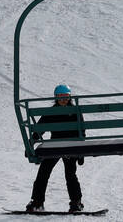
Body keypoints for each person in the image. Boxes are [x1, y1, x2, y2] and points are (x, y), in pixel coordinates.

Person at [26, 84, 84, 213]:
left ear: (70, 97)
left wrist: (81, 152)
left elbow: (81, 132)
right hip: (56, 146)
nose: (63, 100)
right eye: (60, 97)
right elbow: (40, 129)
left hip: (69, 146)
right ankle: (37, 202)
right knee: (43, 172)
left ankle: (76, 202)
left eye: (66, 97)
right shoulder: (51, 112)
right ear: (56, 98)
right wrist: (32, 142)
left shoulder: (75, 111)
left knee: (70, 174)